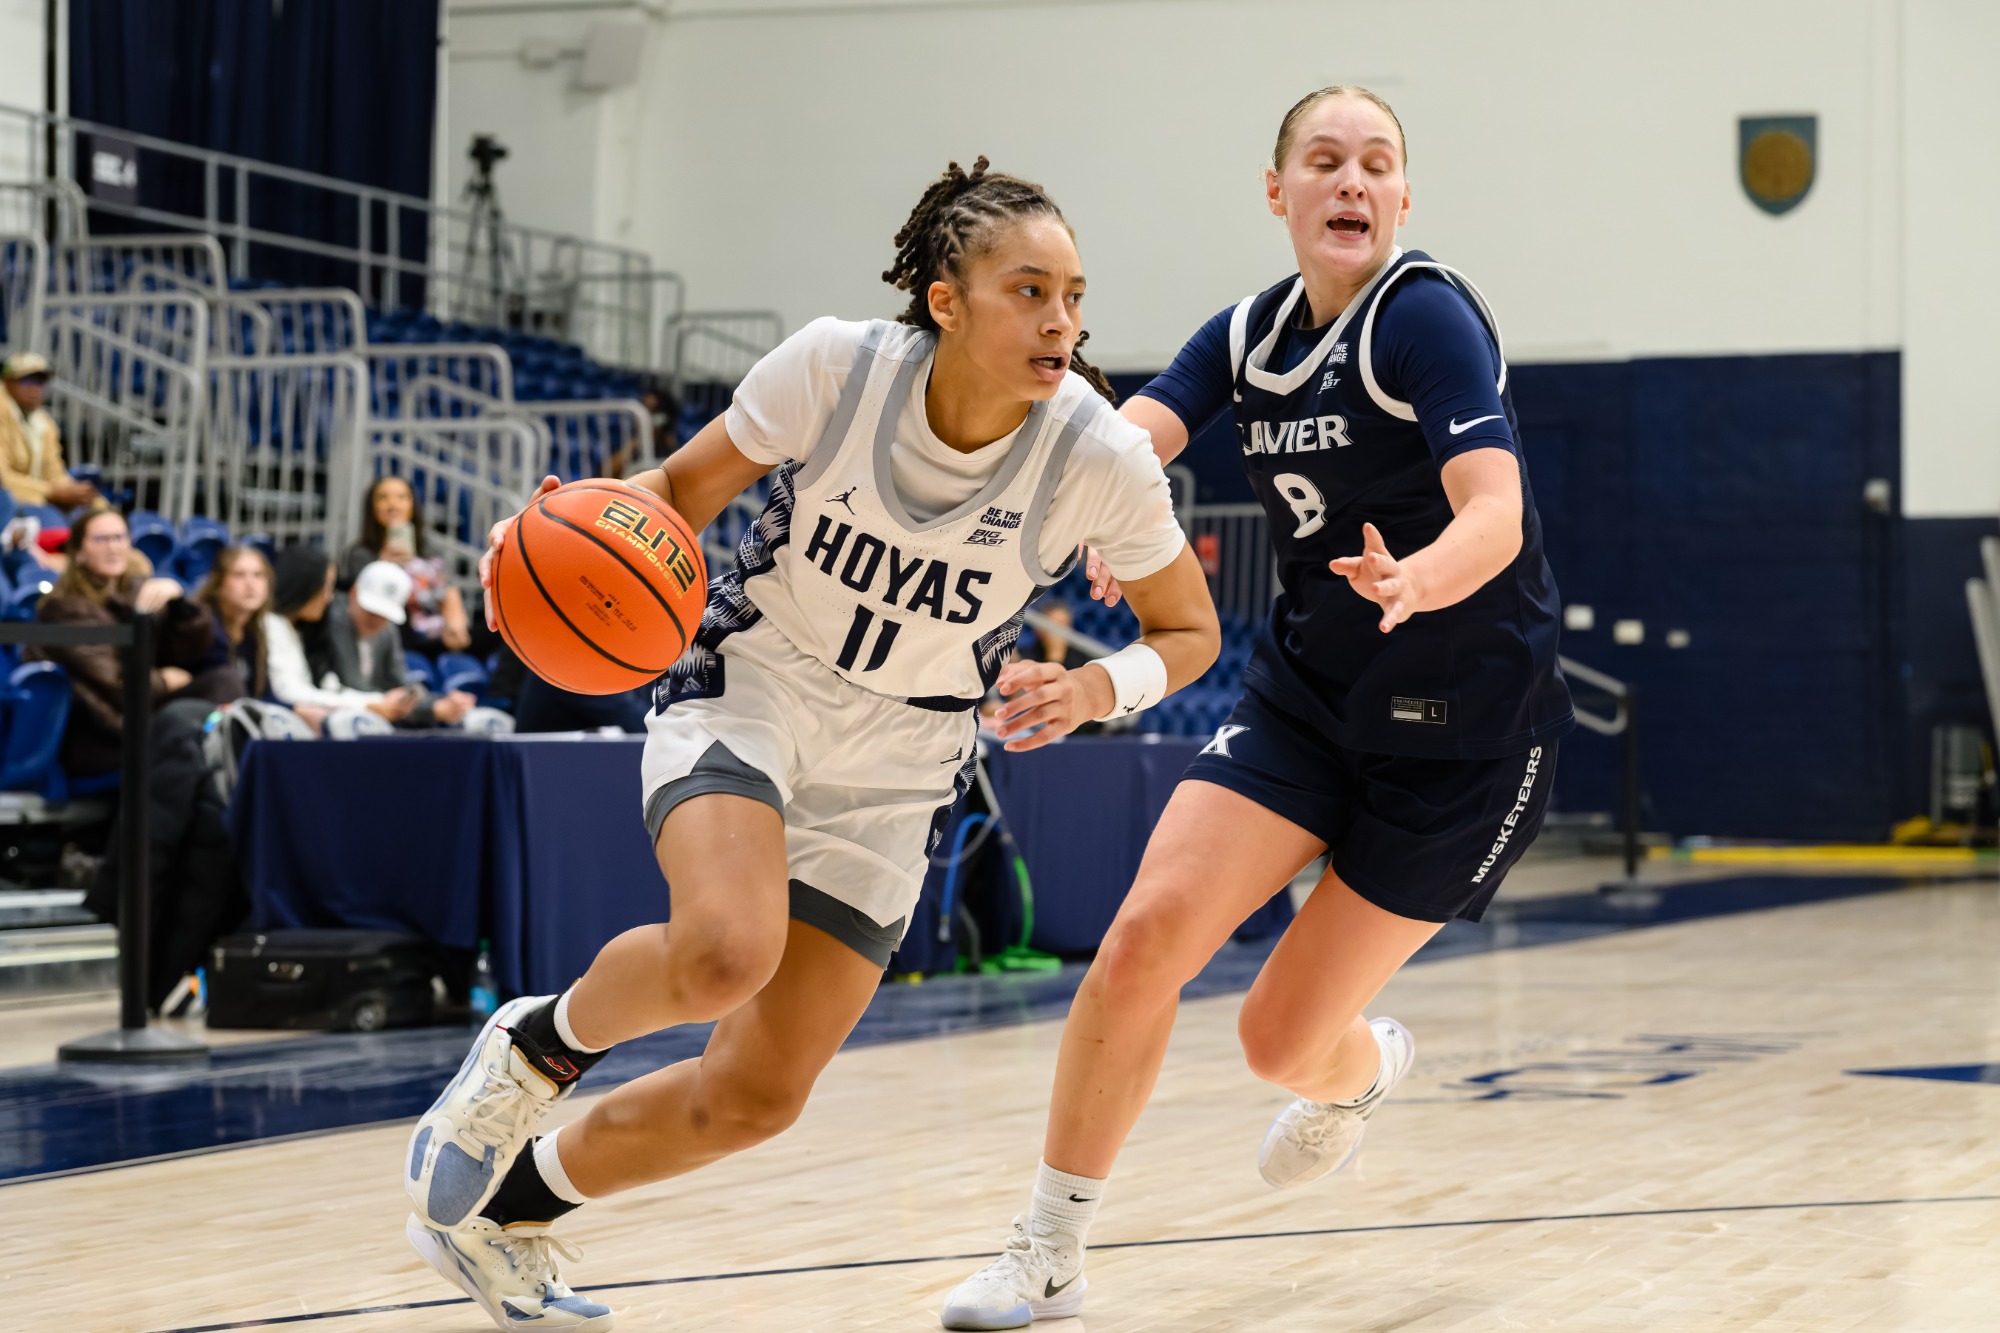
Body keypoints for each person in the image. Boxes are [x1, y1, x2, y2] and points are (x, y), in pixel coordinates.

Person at [402, 156, 1220, 1329]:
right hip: (756, 683)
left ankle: (507, 1214)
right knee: (725, 950)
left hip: (904, 756)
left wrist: (1098, 688)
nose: (1062, 321)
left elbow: (1183, 629)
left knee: (755, 1093)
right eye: (1029, 290)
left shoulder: (1097, 456)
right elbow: (675, 491)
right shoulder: (837, 367)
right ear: (946, 298)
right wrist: (552, 533)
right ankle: (531, 1048)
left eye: (1073, 295)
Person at [939, 87, 1576, 1328]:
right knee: (1140, 944)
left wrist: (1416, 576)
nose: (1351, 181)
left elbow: (1493, 511)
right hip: (1308, 704)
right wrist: (1109, 508)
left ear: (1401, 197)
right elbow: (1130, 436)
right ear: (1275, 192)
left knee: (1281, 1044)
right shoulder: (1246, 333)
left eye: (1375, 164)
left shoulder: (1424, 319)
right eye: (1323, 160)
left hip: (1466, 735)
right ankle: (1048, 1248)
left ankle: (1360, 1070)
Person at [27, 509, 223, 778]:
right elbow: (117, 686)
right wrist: (164, 680)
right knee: (188, 755)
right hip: (99, 733)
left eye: (120, 537)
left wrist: (181, 608)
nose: (114, 547)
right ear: (79, 552)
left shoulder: (136, 591)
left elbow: (189, 652)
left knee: (223, 682)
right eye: (102, 539)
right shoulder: (64, 608)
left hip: (142, 717)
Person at [264, 547, 416, 730]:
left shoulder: (295, 628)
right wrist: (370, 703)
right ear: (304, 586)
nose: (329, 598)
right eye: (326, 587)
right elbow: (290, 692)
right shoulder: (272, 624)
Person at [322, 561, 476, 727]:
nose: (377, 620)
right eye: (371, 611)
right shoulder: (333, 621)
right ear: (353, 593)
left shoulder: (387, 629)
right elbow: (353, 685)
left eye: (384, 614)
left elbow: (399, 681)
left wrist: (440, 700)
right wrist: (431, 709)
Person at [339, 474, 473, 654]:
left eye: (402, 497)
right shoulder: (360, 554)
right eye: (383, 498)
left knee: (504, 628)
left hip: (440, 633)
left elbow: (449, 590)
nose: (393, 505)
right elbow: (363, 604)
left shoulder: (430, 551)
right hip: (402, 633)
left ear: (412, 506)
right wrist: (384, 562)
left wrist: (456, 625)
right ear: (372, 507)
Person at [0, 354, 98, 509]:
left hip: (32, 504)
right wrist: (51, 492)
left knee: (98, 510)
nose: (35, 389)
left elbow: (54, 473)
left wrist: (80, 493)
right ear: (7, 382)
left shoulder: (44, 422)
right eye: (26, 381)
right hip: (8, 506)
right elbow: (3, 480)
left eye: (41, 382)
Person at [189, 545, 274, 700]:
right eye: (239, 575)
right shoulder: (201, 624)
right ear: (218, 583)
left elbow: (264, 694)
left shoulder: (254, 633)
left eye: (258, 575)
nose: (250, 584)